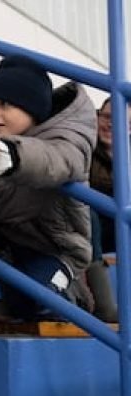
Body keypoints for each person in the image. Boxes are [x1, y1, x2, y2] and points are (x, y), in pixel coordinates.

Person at [0, 54, 96, 322]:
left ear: (33, 108)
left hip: (57, 249)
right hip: (15, 240)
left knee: (40, 296)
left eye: (6, 104)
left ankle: (70, 299)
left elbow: (52, 161)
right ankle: (15, 292)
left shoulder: (67, 137)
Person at [86, 97, 131, 322]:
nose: (111, 124)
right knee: (88, 215)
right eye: (106, 117)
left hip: (117, 226)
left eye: (120, 120)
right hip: (83, 222)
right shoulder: (83, 144)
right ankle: (104, 305)